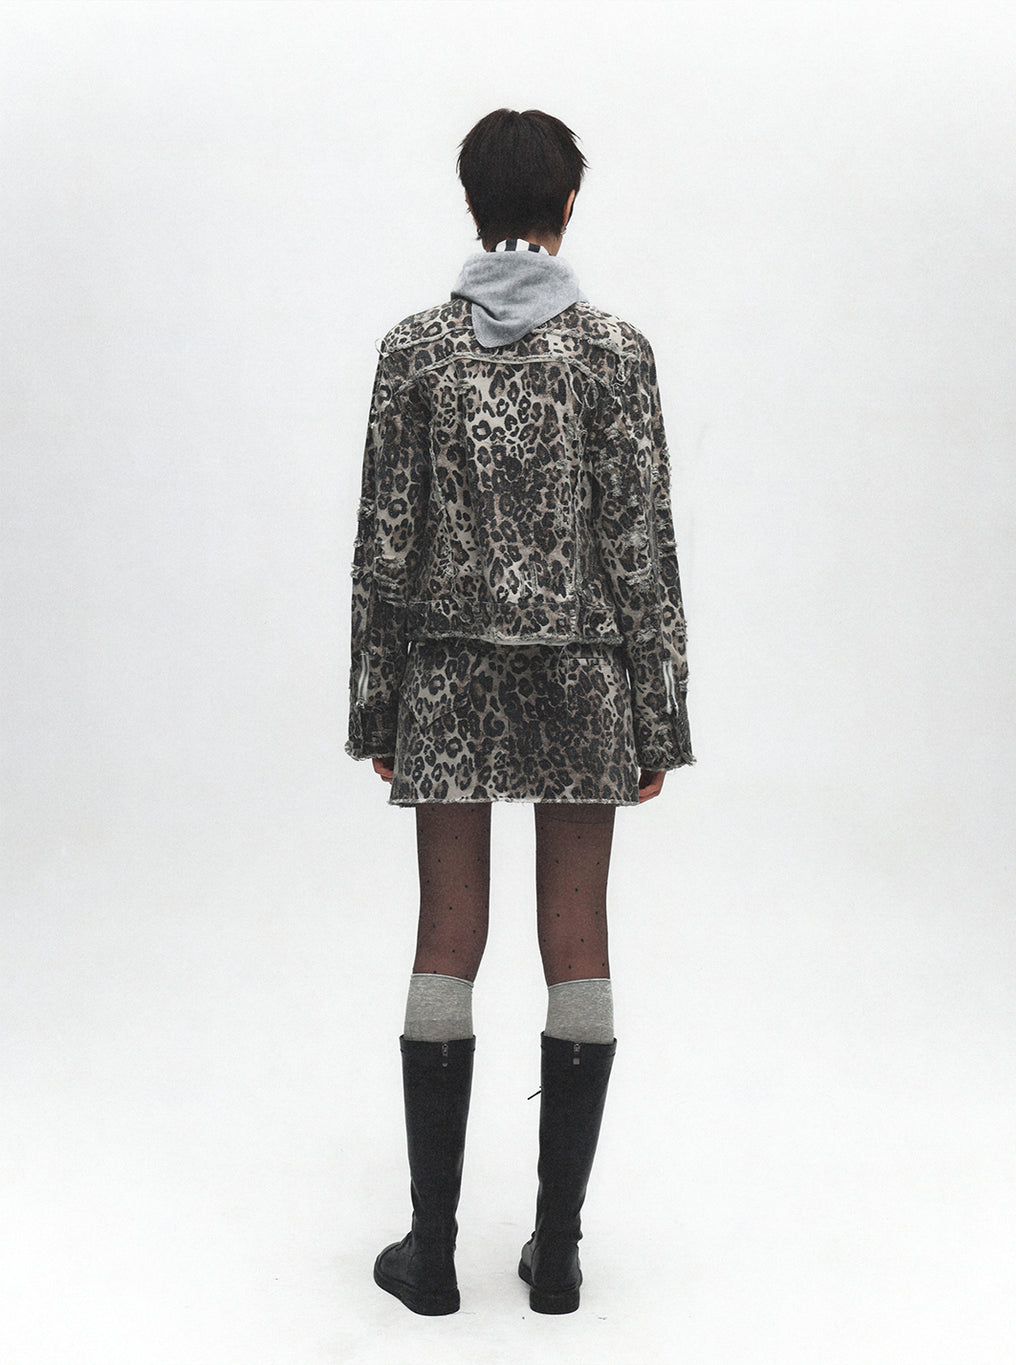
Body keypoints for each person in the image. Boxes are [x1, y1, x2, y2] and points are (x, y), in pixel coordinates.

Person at [346, 108, 694, 1316]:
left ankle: (432, 1254)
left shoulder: (414, 352)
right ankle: (558, 1255)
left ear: (470, 202)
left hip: (447, 676)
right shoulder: (616, 354)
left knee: (447, 933)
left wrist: (376, 707)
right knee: (576, 935)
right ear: (568, 205)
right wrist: (658, 716)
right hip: (584, 678)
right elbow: (640, 545)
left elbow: (384, 545)